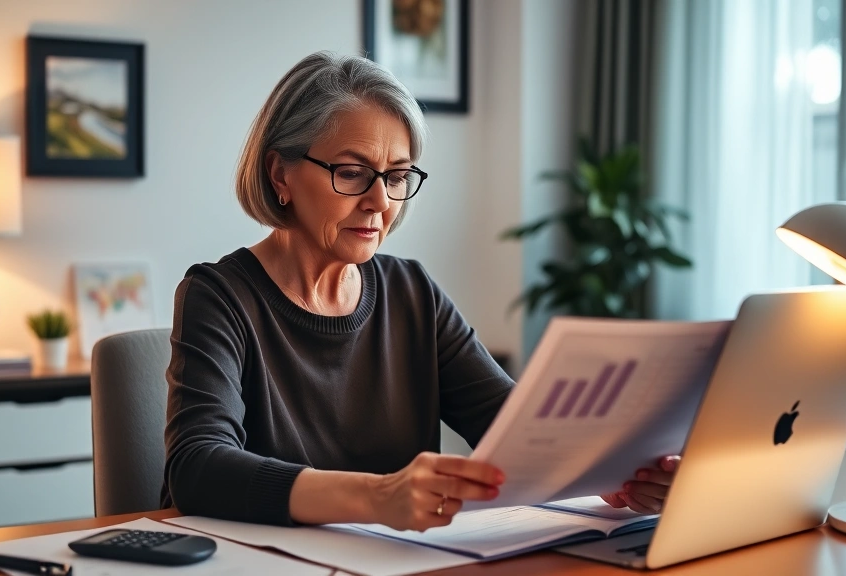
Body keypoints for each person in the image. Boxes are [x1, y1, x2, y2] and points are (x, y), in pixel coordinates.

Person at [162, 51, 676, 531]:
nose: (380, 202)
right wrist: (377, 497)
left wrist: (615, 473)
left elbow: (517, 435)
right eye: (352, 173)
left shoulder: (413, 293)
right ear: (280, 174)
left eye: (398, 175)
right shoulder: (218, 295)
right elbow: (198, 467)